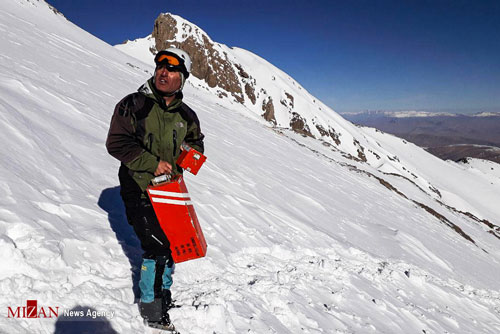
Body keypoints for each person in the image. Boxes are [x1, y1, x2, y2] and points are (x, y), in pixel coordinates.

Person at [106, 48, 205, 328]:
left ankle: (164, 295)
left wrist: (190, 155)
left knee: (171, 245)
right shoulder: (134, 105)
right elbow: (117, 143)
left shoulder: (186, 115)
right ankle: (152, 309)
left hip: (169, 192)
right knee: (157, 246)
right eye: (161, 66)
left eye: (172, 69)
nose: (164, 72)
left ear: (183, 78)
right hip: (138, 188)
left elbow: (196, 141)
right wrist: (152, 163)